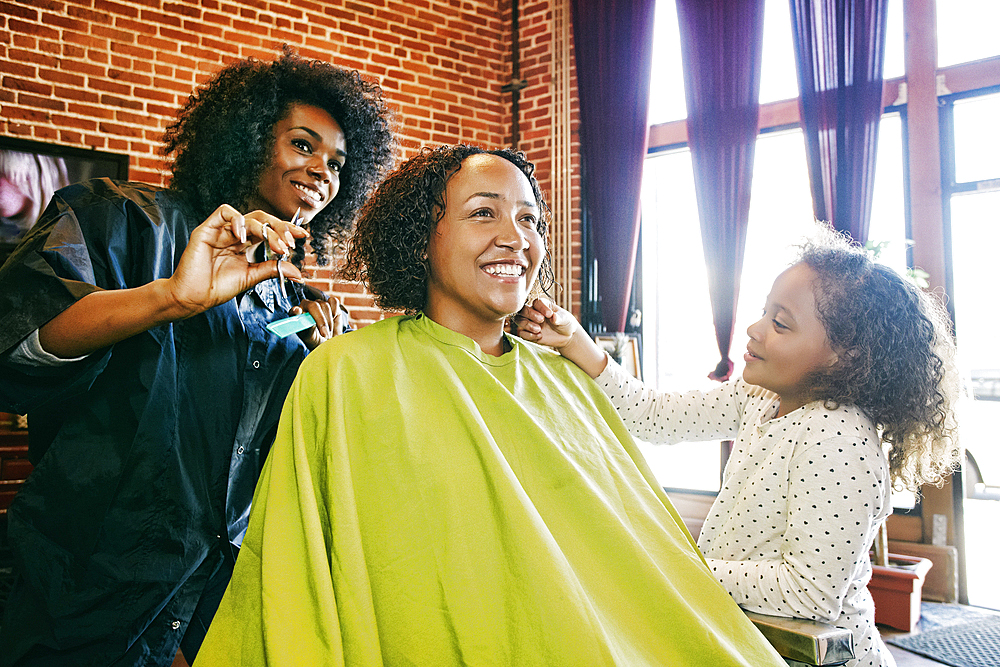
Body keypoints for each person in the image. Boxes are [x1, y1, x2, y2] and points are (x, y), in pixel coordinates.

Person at [193, 144, 786, 667]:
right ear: (423, 239)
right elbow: (296, 570)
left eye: (530, 219)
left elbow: (644, 555)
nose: (516, 237)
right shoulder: (346, 371)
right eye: (483, 213)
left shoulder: (567, 382)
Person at [0, 47, 395, 667]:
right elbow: (17, 344)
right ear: (245, 139)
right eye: (302, 144)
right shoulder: (123, 220)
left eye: (339, 163)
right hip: (75, 594)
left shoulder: (296, 304)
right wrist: (168, 299)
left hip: (205, 612)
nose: (323, 170)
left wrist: (326, 374)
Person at [514, 226, 962, 667]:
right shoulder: (759, 398)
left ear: (842, 356)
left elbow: (808, 593)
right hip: (750, 642)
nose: (754, 329)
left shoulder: (839, 438)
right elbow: (652, 415)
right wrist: (576, 341)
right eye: (765, 312)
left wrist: (677, 565)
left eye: (780, 323)